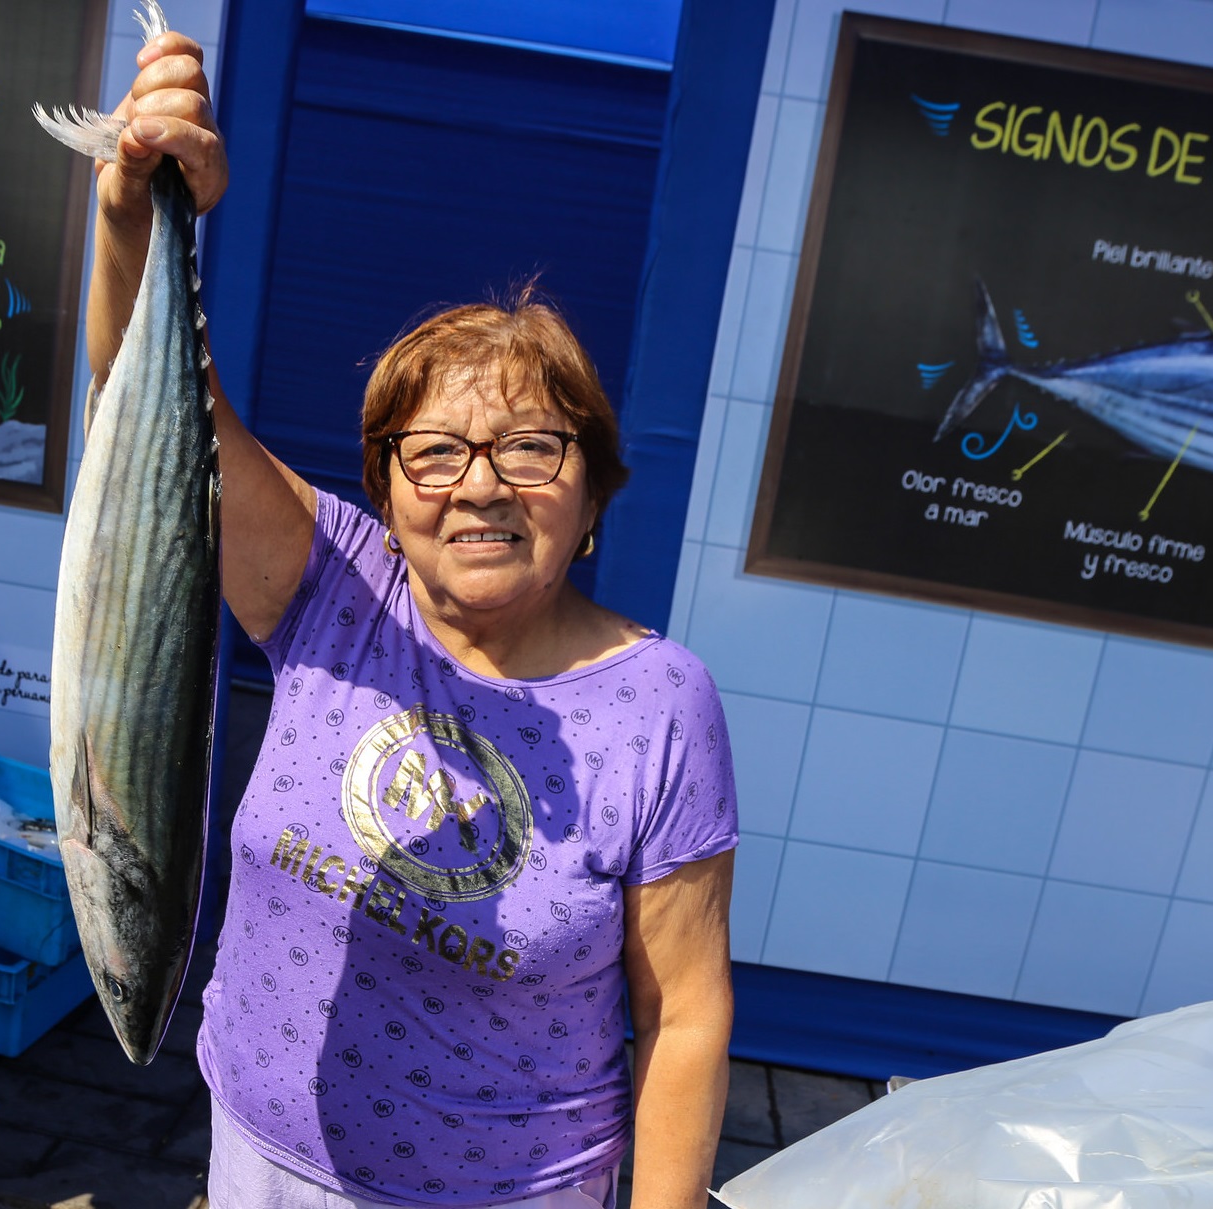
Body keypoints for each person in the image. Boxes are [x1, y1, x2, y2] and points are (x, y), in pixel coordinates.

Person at [84, 28, 738, 1209]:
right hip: (259, 1168)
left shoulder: (660, 703)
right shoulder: (334, 583)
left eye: (532, 448)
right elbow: (150, 432)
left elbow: (684, 1013)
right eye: (433, 452)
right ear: (382, 490)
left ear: (594, 490)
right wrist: (136, 209)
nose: (480, 485)